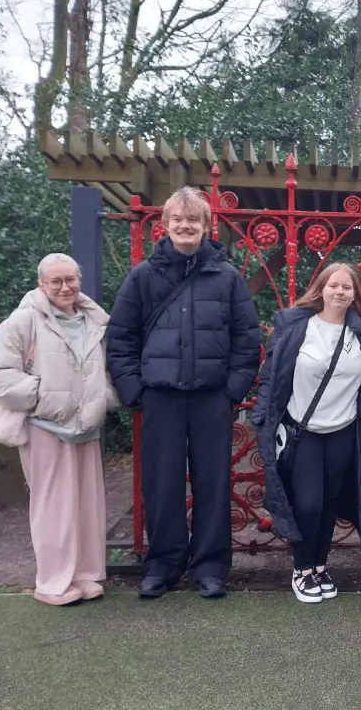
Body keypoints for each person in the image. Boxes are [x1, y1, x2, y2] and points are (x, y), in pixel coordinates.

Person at [107, 187, 262, 600]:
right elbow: (120, 339)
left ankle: (210, 568)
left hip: (212, 398)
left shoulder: (227, 277)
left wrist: (232, 391)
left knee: (213, 484)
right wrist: (135, 391)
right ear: (166, 225)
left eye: (193, 220)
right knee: (162, 485)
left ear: (207, 226)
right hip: (161, 398)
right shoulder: (143, 275)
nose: (185, 226)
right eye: (178, 220)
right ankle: (163, 565)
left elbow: (247, 341)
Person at [0, 254, 118, 606]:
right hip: (45, 426)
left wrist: (104, 398)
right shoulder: (24, 320)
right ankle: (54, 582)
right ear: (41, 284)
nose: (64, 287)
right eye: (55, 281)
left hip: (86, 425)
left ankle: (85, 575)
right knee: (53, 506)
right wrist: (40, 396)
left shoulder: (94, 318)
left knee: (87, 505)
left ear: (79, 280)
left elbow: (108, 367)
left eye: (70, 279)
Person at [251, 263, 361, 604]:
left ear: (355, 294)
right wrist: (262, 417)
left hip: (344, 431)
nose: (340, 292)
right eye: (333, 285)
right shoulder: (296, 327)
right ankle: (301, 569)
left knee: (328, 502)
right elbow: (272, 375)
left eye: (347, 287)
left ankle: (319, 566)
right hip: (304, 431)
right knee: (308, 502)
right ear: (321, 289)